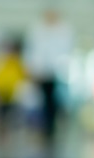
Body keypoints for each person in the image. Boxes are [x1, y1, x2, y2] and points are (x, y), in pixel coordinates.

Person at [26, 8, 73, 142]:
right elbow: (33, 50)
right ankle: (45, 127)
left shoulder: (63, 29)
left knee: (53, 100)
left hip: (56, 73)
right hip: (42, 72)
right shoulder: (38, 29)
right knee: (43, 100)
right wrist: (34, 68)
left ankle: (51, 127)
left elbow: (65, 50)